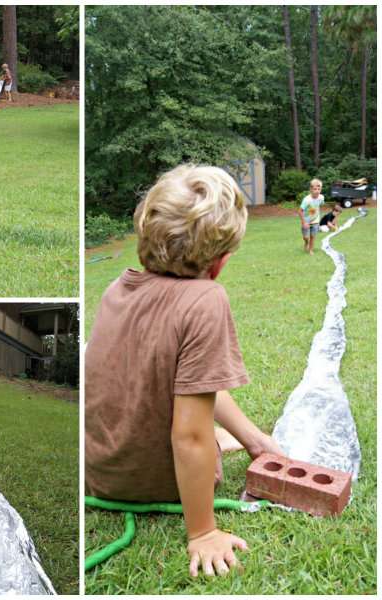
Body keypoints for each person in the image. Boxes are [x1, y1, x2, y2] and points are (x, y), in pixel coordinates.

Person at [85, 164, 283, 579]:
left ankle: (230, 438)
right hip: (157, 485)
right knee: (202, 437)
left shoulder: (116, 288)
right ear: (221, 259)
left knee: (206, 425)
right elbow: (189, 434)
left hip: (100, 475)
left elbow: (192, 382)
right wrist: (203, 531)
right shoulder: (206, 299)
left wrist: (254, 439)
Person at [299, 178, 325, 255]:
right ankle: (306, 242)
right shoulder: (306, 200)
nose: (317, 191)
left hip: (315, 220)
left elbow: (321, 204)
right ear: (310, 189)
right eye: (315, 189)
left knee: (313, 236)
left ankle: (311, 250)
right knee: (306, 237)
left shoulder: (321, 197)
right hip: (306, 221)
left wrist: (316, 213)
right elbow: (300, 211)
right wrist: (304, 222)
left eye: (319, 189)